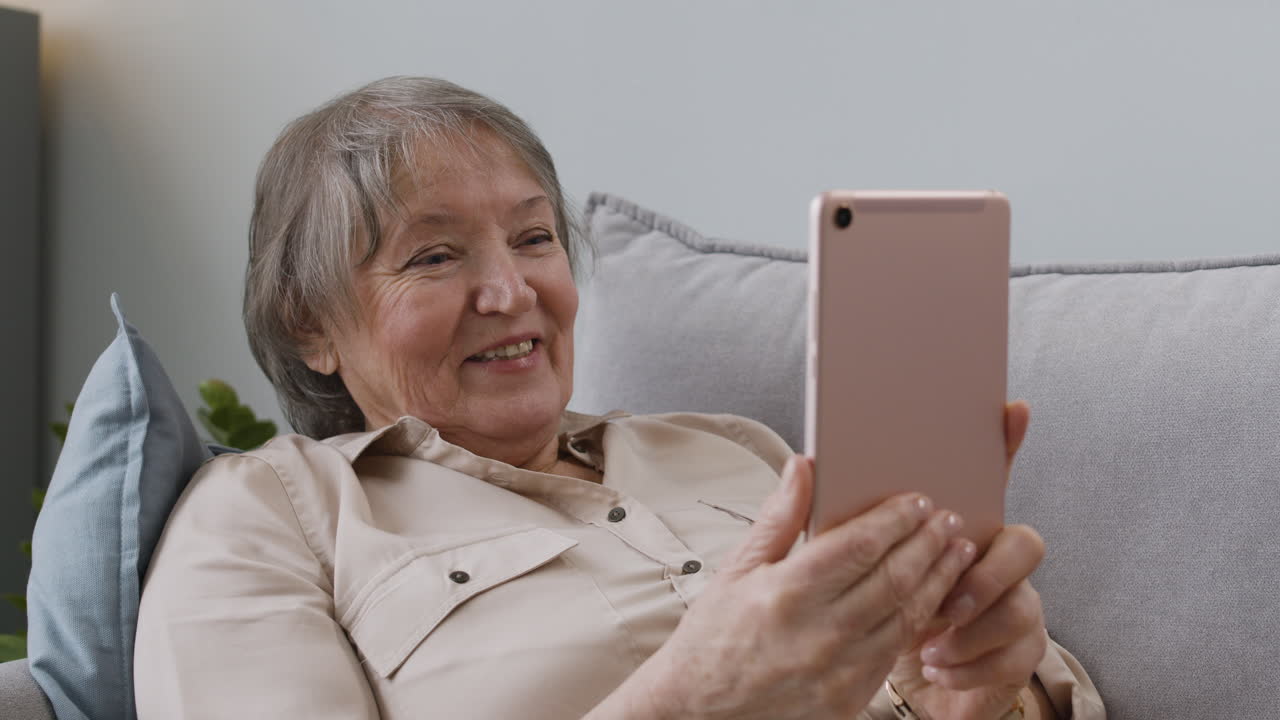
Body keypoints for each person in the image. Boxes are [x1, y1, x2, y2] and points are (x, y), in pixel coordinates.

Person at [133, 76, 1104, 720]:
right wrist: (692, 701)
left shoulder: (732, 449)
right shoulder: (268, 516)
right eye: (434, 256)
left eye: (532, 237)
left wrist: (973, 688)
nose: (510, 291)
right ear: (309, 323)